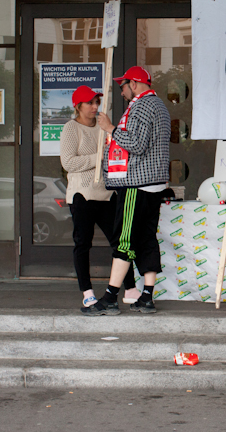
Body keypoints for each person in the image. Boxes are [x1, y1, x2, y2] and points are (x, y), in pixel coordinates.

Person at [91, 66, 170, 315]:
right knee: (146, 238)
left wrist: (110, 128)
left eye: (123, 86)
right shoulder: (160, 106)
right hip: (154, 184)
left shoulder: (142, 106)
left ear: (134, 84)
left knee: (124, 239)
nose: (122, 92)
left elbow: (136, 144)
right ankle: (146, 296)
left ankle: (110, 297)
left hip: (137, 183)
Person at [59, 85, 135, 315]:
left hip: (107, 192)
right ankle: (87, 292)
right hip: (82, 194)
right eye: (89, 103)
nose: (94, 107)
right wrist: (98, 156)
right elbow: (68, 163)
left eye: (96, 102)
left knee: (120, 241)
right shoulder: (71, 128)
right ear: (77, 106)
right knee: (83, 243)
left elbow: (114, 155)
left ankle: (130, 288)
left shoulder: (103, 126)